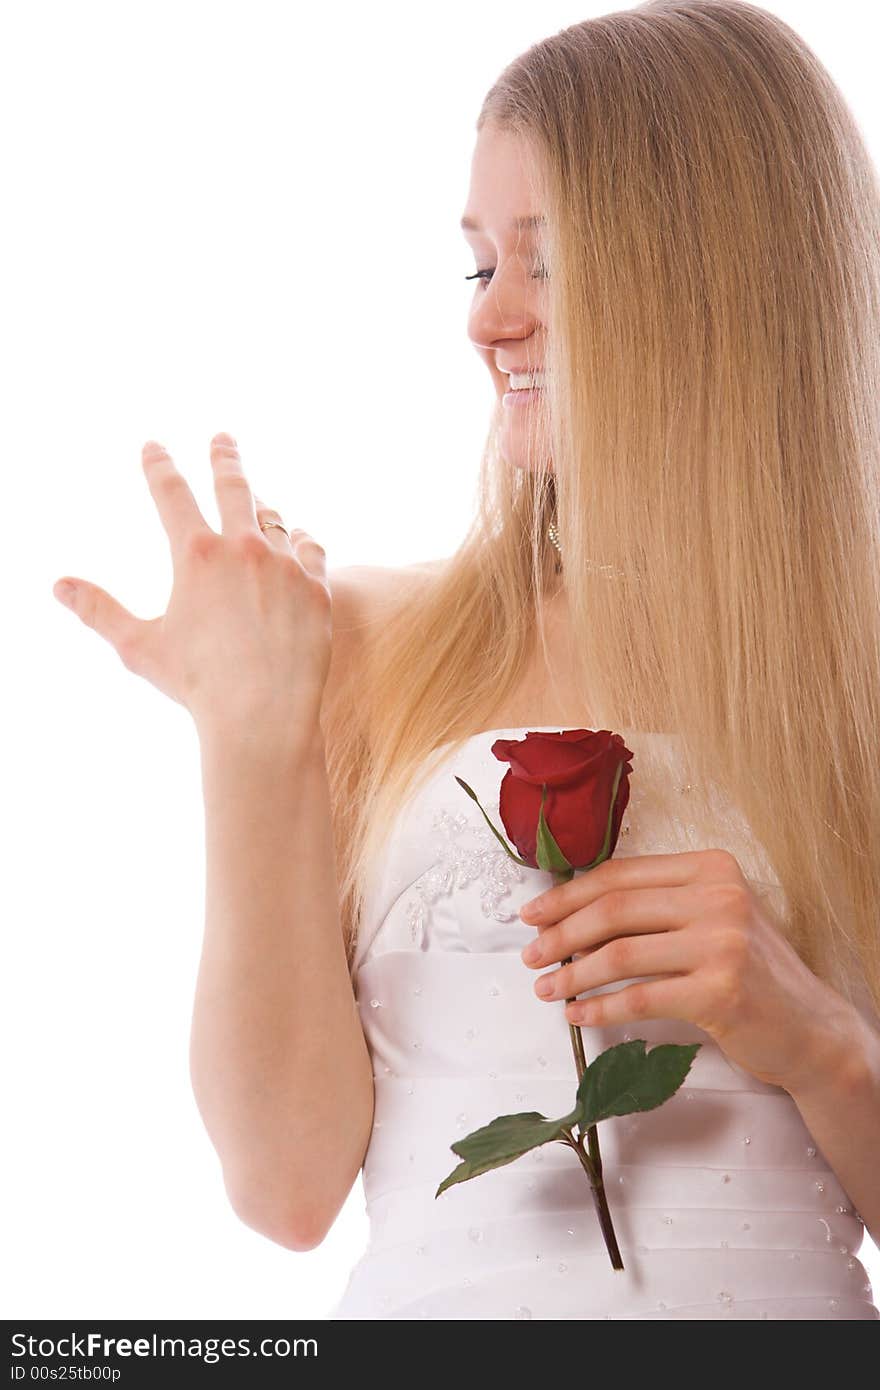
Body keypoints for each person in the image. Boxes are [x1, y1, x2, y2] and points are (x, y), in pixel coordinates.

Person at [53, 0, 880, 1319]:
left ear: (722, 283)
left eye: (544, 265)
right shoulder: (380, 643)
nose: (488, 323)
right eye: (478, 265)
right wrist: (250, 740)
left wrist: (825, 1044)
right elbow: (284, 1185)